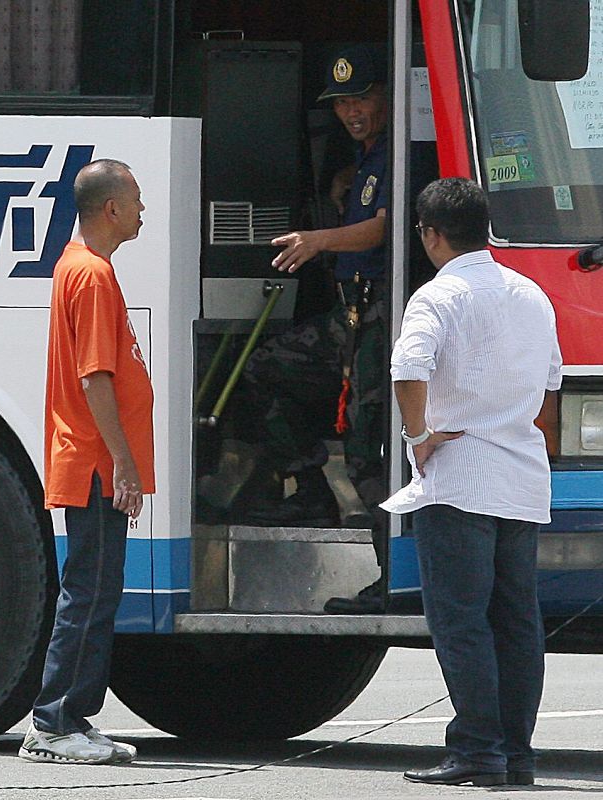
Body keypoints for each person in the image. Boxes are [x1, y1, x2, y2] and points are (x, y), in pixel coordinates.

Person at [382, 177, 562, 786]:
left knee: (461, 620)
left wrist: (418, 436)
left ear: (431, 235)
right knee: (517, 621)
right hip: (522, 478)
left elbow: (409, 371)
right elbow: (551, 390)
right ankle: (517, 757)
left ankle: (477, 752)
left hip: (458, 478)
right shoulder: (532, 294)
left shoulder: (438, 297)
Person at [243, 45, 389, 613]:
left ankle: (390, 576)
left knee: (367, 450)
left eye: (362, 98)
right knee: (265, 369)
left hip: (377, 320)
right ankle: (306, 491)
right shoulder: (365, 157)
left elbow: (383, 228)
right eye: (343, 103)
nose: (353, 112)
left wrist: (319, 240)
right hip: (346, 319)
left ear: (386, 97)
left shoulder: (400, 155)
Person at [19, 159, 155, 764]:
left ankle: (72, 717)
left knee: (97, 589)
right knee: (90, 590)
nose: (143, 211)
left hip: (92, 460)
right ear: (111, 209)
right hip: (97, 463)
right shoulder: (93, 275)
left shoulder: (77, 268)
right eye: (137, 202)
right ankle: (52, 722)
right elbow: (96, 377)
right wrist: (124, 464)